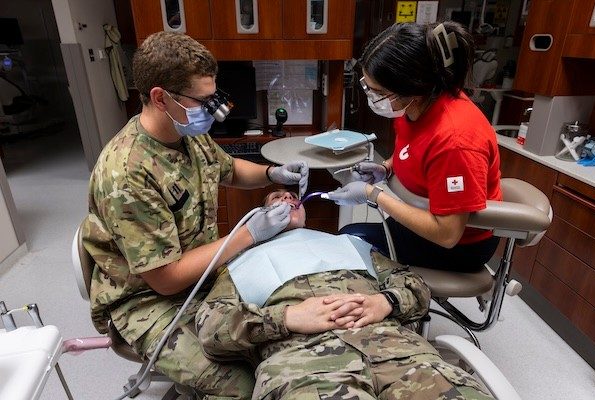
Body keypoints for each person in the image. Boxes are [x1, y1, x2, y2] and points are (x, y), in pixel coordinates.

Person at [81, 32, 309, 398]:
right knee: (244, 384)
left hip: (204, 274)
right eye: (203, 100)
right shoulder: (127, 174)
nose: (213, 109)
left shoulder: (185, 131)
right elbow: (167, 279)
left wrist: (271, 173)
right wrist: (250, 233)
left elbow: (228, 169)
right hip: (147, 301)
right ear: (160, 97)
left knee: (280, 347)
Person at [195, 189, 494, 400]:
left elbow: (415, 286)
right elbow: (211, 328)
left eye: (291, 196)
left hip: (399, 351)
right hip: (306, 364)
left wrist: (386, 301)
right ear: (260, 216)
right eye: (276, 198)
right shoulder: (240, 261)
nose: (286, 198)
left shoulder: (351, 244)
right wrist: (286, 317)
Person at [328, 21, 502, 272]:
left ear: (411, 89)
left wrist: (373, 194)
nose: (372, 98)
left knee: (352, 241)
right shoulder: (413, 108)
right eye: (368, 87)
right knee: (351, 236)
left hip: (459, 246)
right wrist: (386, 168)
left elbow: (447, 234)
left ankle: (403, 305)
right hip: (423, 220)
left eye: (378, 92)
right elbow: (415, 151)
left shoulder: (456, 140)